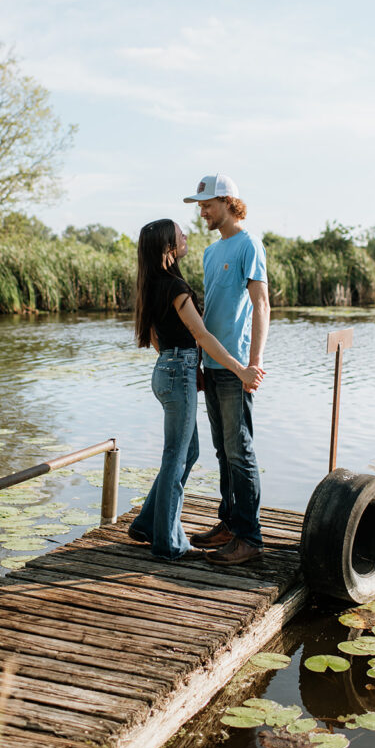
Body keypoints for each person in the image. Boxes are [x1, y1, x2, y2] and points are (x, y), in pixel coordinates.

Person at [129, 218, 264, 561]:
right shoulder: (175, 287)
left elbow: (158, 339)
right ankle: (168, 543)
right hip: (179, 372)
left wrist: (179, 361)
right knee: (177, 456)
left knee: (186, 453)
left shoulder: (153, 283)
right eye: (179, 233)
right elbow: (202, 335)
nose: (186, 234)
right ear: (168, 247)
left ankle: (147, 522)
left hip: (167, 370)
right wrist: (241, 369)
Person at [183, 174, 270, 565]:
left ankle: (249, 538)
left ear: (227, 201)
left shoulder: (249, 244)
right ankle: (229, 524)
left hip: (237, 368)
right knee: (223, 451)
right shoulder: (210, 252)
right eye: (199, 206)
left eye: (207, 204)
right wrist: (202, 361)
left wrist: (254, 363)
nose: (202, 211)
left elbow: (262, 306)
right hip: (213, 364)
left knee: (240, 451)